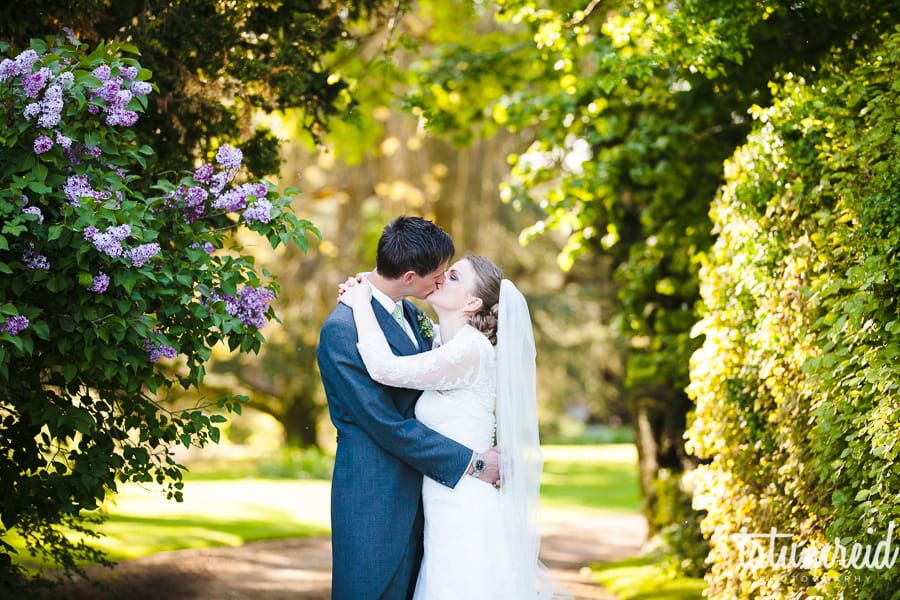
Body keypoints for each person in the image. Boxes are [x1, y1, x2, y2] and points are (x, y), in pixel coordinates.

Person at [339, 254, 568, 599]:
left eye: (454, 277)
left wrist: (360, 302)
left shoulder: (469, 350)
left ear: (473, 302)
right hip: (446, 500)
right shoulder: (444, 344)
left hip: (463, 507)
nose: (441, 277)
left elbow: (385, 368)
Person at [316, 216, 501, 600]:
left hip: (430, 493)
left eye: (449, 276)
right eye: (438, 275)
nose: (440, 281)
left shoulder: (415, 316)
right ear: (409, 276)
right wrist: (474, 462)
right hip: (375, 495)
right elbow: (385, 423)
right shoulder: (344, 328)